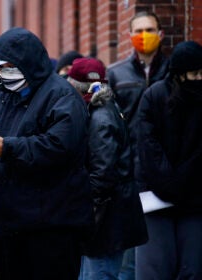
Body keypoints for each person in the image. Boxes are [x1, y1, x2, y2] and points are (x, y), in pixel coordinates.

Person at [0, 27, 95, 280]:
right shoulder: (7, 95)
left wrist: (7, 148)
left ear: (26, 63)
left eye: (7, 66)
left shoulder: (61, 96)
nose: (1, 73)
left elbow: (57, 147)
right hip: (12, 222)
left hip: (51, 225)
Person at [66, 57, 147, 280]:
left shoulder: (99, 118)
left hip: (105, 225)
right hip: (109, 220)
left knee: (98, 274)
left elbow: (102, 177)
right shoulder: (103, 110)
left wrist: (87, 218)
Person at [106, 11, 170, 278]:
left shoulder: (172, 71)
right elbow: (108, 124)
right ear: (129, 36)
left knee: (161, 254)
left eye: (150, 30)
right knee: (129, 257)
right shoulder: (115, 74)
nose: (145, 36)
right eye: (139, 30)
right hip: (128, 173)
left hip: (165, 171)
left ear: (161, 34)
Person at [136, 40, 202, 279]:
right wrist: (171, 183)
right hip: (158, 199)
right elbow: (147, 146)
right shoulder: (154, 96)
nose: (198, 79)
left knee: (191, 269)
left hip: (192, 200)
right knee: (155, 269)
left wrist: (177, 183)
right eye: (194, 73)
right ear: (180, 73)